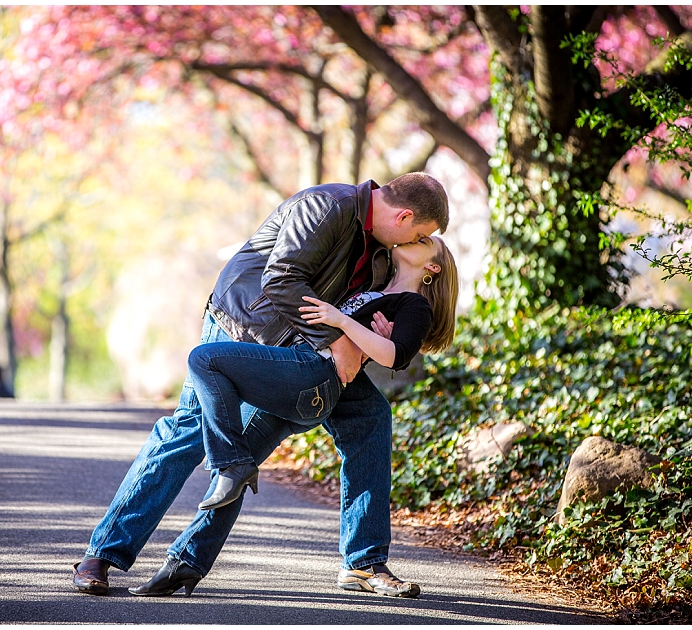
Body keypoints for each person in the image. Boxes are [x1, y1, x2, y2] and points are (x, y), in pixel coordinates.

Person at [73, 173, 450, 599]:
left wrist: (371, 337)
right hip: (242, 329)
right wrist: (340, 341)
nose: (411, 243)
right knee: (188, 434)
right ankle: (102, 554)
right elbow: (282, 280)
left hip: (304, 352)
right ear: (403, 216)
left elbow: (358, 314)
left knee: (370, 417)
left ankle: (363, 563)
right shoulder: (327, 206)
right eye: (419, 233)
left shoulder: (382, 256)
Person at [193, 236, 458, 511]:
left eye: (424, 241)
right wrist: (364, 333)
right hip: (297, 368)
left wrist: (341, 320)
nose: (413, 238)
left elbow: (396, 356)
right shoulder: (375, 288)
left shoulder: (414, 305)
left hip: (313, 373)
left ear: (433, 267)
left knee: (204, 359)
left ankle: (230, 460)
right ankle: (188, 554)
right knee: (234, 477)